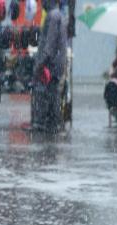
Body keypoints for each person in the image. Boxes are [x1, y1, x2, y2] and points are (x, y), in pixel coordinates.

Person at [31, 0, 67, 133]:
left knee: (44, 95)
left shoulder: (52, 17)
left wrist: (40, 64)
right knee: (53, 95)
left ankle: (43, 125)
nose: (42, 3)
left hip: (49, 65)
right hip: (56, 64)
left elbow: (50, 44)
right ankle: (53, 126)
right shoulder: (60, 16)